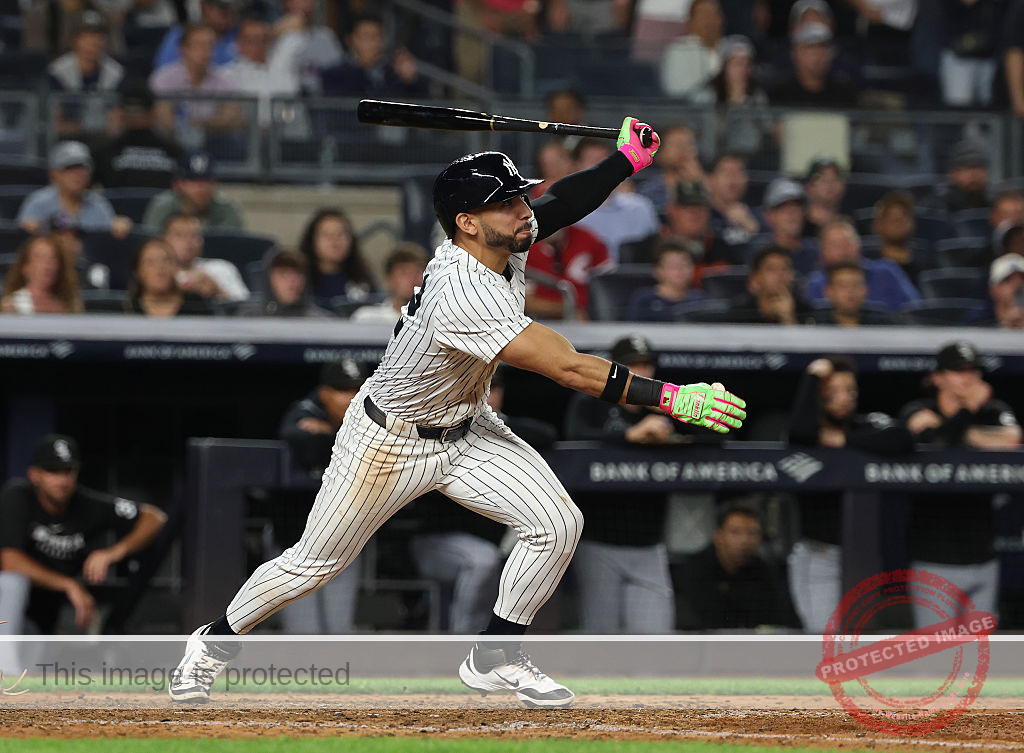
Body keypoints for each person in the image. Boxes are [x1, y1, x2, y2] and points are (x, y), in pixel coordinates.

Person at [168, 119, 747, 708]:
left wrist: (625, 160)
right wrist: (673, 397)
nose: (523, 209)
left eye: (518, 195)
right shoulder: (462, 289)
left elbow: (563, 202)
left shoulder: (501, 236)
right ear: (467, 223)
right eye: (506, 202)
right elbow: (568, 368)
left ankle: (496, 653)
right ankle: (210, 645)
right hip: (388, 442)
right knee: (314, 564)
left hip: (467, 428)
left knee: (556, 523)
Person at [786, 357, 913, 633]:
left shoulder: (863, 426)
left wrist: (843, 441)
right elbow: (800, 431)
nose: (845, 398)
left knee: (860, 640)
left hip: (864, 554)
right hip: (819, 554)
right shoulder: (807, 432)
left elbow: (902, 437)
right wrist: (812, 377)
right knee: (823, 637)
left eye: (850, 390)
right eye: (834, 392)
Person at [900, 342, 1021, 630]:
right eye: (958, 370)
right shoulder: (918, 408)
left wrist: (956, 430)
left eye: (973, 370)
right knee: (937, 661)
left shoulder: (993, 410)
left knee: (980, 660)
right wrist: (968, 413)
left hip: (983, 558)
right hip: (934, 560)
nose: (968, 378)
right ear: (938, 377)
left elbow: (1011, 440)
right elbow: (935, 445)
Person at [564, 335, 679, 634]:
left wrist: (670, 429)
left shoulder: (661, 408)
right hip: (599, 542)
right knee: (602, 638)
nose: (641, 372)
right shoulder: (591, 401)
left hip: (649, 543)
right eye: (632, 365)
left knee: (655, 638)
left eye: (646, 364)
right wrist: (629, 437)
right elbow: (572, 437)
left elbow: (708, 441)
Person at [0, 435, 166, 636]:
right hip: (6, 612)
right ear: (35, 475)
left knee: (39, 660)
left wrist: (114, 552)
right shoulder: (17, 496)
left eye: (68, 471)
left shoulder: (86, 504)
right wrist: (69, 584)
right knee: (12, 582)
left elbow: (154, 517)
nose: (62, 480)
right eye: (53, 471)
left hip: (40, 619)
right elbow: (10, 562)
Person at [273, 358, 367, 633]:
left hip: (342, 542)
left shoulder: (370, 411)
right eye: (342, 391)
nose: (351, 399)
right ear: (324, 392)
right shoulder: (303, 408)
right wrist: (346, 437)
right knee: (304, 635)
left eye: (356, 391)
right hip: (294, 541)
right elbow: (301, 443)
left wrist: (331, 432)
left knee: (337, 633)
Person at [676, 502, 801, 630]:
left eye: (753, 533)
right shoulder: (694, 570)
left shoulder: (765, 572)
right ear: (718, 536)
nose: (745, 540)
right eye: (735, 532)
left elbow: (784, 622)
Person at [571, 138, 660, 262]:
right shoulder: (568, 211)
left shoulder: (640, 208)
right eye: (592, 160)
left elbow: (655, 255)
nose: (601, 166)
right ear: (577, 166)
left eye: (605, 160)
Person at [17, 142, 132, 238]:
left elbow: (105, 244)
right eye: (70, 168)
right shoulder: (38, 203)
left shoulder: (99, 205)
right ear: (54, 174)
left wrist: (119, 228)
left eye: (83, 168)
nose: (78, 174)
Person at [804, 219, 921, 312]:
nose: (844, 249)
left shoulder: (887, 272)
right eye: (835, 244)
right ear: (823, 253)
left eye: (848, 242)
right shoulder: (816, 284)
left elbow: (915, 311)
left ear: (859, 245)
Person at [149, 24, 244, 135]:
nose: (206, 51)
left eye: (210, 45)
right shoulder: (163, 78)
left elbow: (232, 117)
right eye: (199, 45)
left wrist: (201, 125)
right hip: (172, 142)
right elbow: (162, 118)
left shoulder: (225, 78)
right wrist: (188, 128)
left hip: (215, 141)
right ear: (183, 49)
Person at [91, 83, 184, 190]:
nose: (135, 116)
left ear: (153, 113)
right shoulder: (103, 152)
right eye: (130, 110)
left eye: (139, 110)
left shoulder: (175, 152)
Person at [47, 11, 125, 138]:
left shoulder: (116, 72)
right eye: (88, 35)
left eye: (99, 35)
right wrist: (86, 129)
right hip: (66, 141)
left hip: (104, 140)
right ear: (74, 40)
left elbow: (116, 122)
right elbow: (55, 124)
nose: (95, 41)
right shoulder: (57, 72)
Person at [692, 35, 771, 157]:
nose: (743, 70)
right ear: (724, 66)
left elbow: (765, 129)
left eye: (747, 64)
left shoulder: (757, 96)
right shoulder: (706, 94)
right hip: (711, 158)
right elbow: (703, 134)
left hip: (748, 160)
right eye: (738, 64)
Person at [319, 14, 428, 98]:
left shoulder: (391, 73)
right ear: (350, 40)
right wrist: (362, 69)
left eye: (376, 36)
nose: (373, 43)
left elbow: (421, 101)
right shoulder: (334, 73)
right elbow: (338, 107)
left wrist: (410, 80)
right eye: (366, 36)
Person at [223, 15, 302, 126]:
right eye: (249, 40)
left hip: (294, 133)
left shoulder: (280, 62)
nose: (256, 45)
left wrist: (272, 32)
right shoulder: (229, 74)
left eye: (261, 39)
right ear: (239, 42)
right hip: (255, 137)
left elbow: (297, 21)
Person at [524, 223, 611, 320]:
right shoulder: (523, 248)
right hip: (544, 321)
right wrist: (569, 310)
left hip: (591, 317)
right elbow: (527, 303)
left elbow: (611, 289)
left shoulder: (588, 239)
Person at [142, 151, 245, 231]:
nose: (201, 187)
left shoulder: (226, 210)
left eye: (206, 180)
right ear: (177, 184)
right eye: (193, 181)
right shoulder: (162, 207)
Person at [297, 208, 377, 307]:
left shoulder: (362, 279)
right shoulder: (298, 279)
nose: (335, 241)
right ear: (312, 240)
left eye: (341, 234)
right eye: (327, 235)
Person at [162, 213, 249, 302]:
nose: (188, 241)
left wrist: (217, 291)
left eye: (194, 235)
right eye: (180, 235)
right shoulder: (157, 273)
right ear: (164, 239)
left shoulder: (222, 268)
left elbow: (247, 309)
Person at [768, 22, 858, 107]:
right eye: (810, 48)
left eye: (823, 48)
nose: (818, 55)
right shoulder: (778, 96)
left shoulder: (844, 96)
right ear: (795, 53)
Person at [125, 238, 215, 316]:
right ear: (137, 272)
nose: (160, 266)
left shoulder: (196, 305)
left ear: (176, 267)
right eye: (150, 262)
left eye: (166, 260)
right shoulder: (126, 309)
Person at [271, 0, 344, 94]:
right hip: (284, 102)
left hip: (320, 102)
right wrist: (275, 33)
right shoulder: (273, 38)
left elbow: (339, 78)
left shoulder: (326, 37)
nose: (302, 4)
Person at [237, 249, 334, 318]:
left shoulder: (323, 323)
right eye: (283, 274)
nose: (292, 280)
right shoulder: (248, 317)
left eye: (298, 273)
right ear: (268, 279)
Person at [729, 245, 813, 324]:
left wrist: (788, 318)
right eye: (771, 269)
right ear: (756, 277)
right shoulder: (740, 312)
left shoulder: (805, 310)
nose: (780, 275)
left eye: (785, 269)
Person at [1, 235, 83, 314]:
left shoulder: (70, 307)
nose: (47, 264)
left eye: (53, 258)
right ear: (25, 267)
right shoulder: (11, 306)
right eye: (40, 257)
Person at [634, 124, 705, 215]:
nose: (683, 149)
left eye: (689, 144)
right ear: (660, 154)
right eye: (676, 144)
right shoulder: (648, 192)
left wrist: (700, 182)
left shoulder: (706, 184)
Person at [659, 0, 725, 98]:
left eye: (713, 14)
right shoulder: (678, 51)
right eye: (702, 15)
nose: (708, 20)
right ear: (690, 22)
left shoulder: (730, 48)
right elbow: (676, 89)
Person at [626, 240, 703, 322]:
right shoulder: (644, 301)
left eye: (685, 264)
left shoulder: (701, 301)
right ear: (657, 271)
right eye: (673, 265)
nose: (680, 270)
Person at [351, 243, 429, 323]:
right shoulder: (367, 318)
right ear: (389, 280)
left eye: (418, 271)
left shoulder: (437, 319)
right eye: (405, 272)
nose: (413, 277)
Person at [756, 177, 818, 276]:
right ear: (769, 216)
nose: (791, 214)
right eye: (784, 209)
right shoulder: (760, 252)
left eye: (796, 208)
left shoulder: (816, 252)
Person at [153, 0, 239, 69]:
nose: (227, 13)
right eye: (222, 8)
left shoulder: (241, 36)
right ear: (204, 6)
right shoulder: (180, 34)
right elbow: (163, 71)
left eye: (232, 8)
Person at [706, 152, 761, 259]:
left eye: (738, 172)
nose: (732, 179)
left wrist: (752, 229)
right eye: (726, 173)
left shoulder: (758, 216)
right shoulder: (702, 215)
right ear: (710, 180)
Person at [664, 180, 732, 267]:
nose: (694, 212)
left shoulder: (723, 250)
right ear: (671, 210)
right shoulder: (651, 248)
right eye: (686, 206)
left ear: (708, 212)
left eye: (699, 206)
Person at [813, 260, 896, 326]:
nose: (850, 290)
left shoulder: (882, 324)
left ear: (865, 289)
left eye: (856, 285)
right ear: (828, 291)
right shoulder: (814, 324)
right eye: (842, 285)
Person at [921, 140, 991, 214]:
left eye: (980, 167)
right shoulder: (938, 204)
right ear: (952, 173)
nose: (974, 174)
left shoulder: (994, 201)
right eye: (968, 168)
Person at [871, 191, 923, 285]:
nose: (898, 223)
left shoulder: (924, 267)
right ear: (878, 224)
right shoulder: (870, 268)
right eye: (892, 218)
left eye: (903, 217)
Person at [803, 157, 846, 240]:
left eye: (835, 178)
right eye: (823, 179)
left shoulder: (851, 225)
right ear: (808, 187)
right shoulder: (800, 227)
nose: (830, 184)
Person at [987, 253, 1024, 328]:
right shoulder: (977, 328)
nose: (1017, 284)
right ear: (993, 289)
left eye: (1022, 278)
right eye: (1007, 280)